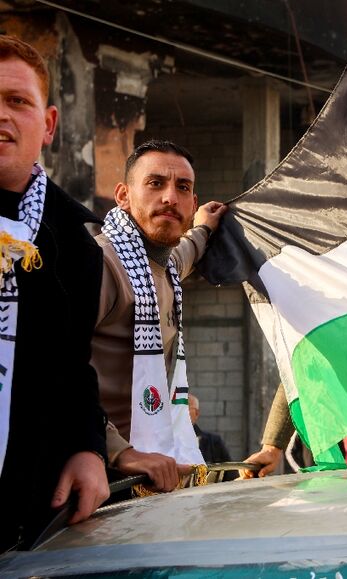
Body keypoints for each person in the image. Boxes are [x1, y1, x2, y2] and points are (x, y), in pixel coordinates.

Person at [0, 35, 109, 550]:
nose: (1, 114)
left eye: (16, 101)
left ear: (47, 125)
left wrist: (89, 448)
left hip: (23, 525)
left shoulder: (74, 243)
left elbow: (73, 369)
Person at [92, 140, 226, 492]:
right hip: (96, 477)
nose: (170, 197)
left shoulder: (165, 267)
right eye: (155, 184)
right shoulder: (101, 265)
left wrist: (206, 227)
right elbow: (50, 370)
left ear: (193, 203)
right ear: (123, 195)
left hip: (150, 476)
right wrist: (118, 452)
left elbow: (187, 250)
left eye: (183, 187)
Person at [188, 394, 238, 481]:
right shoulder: (164, 443)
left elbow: (231, 475)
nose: (181, 414)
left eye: (186, 408)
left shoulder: (214, 442)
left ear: (196, 413)